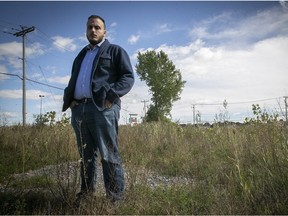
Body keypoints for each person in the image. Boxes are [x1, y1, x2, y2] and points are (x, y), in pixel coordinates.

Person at [62, 15, 134, 203]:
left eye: (97, 27)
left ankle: (115, 200)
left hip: (103, 109)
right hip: (79, 110)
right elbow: (73, 80)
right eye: (90, 27)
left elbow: (127, 77)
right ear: (86, 31)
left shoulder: (115, 51)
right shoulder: (81, 55)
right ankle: (86, 195)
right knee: (86, 156)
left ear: (104, 31)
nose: (93, 30)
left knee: (109, 154)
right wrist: (69, 101)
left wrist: (111, 97)